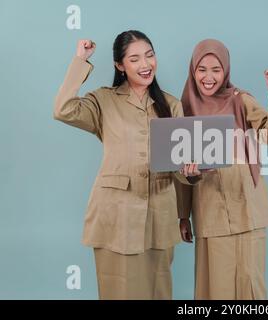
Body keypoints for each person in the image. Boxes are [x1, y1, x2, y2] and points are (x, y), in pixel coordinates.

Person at [54, 30, 194, 300]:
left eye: (150, 56)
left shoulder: (172, 105)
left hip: (159, 220)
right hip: (115, 217)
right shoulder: (103, 101)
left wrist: (191, 173)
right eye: (135, 59)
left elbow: (183, 170)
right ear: (120, 65)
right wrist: (80, 60)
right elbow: (63, 109)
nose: (145, 65)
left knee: (159, 293)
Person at [178, 39, 268, 299]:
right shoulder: (183, 108)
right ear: (193, 70)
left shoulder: (240, 99)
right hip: (209, 206)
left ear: (225, 70)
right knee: (215, 285)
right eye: (201, 69)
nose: (208, 77)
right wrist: (183, 215)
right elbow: (181, 170)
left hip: (246, 204)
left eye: (216, 69)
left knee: (249, 280)